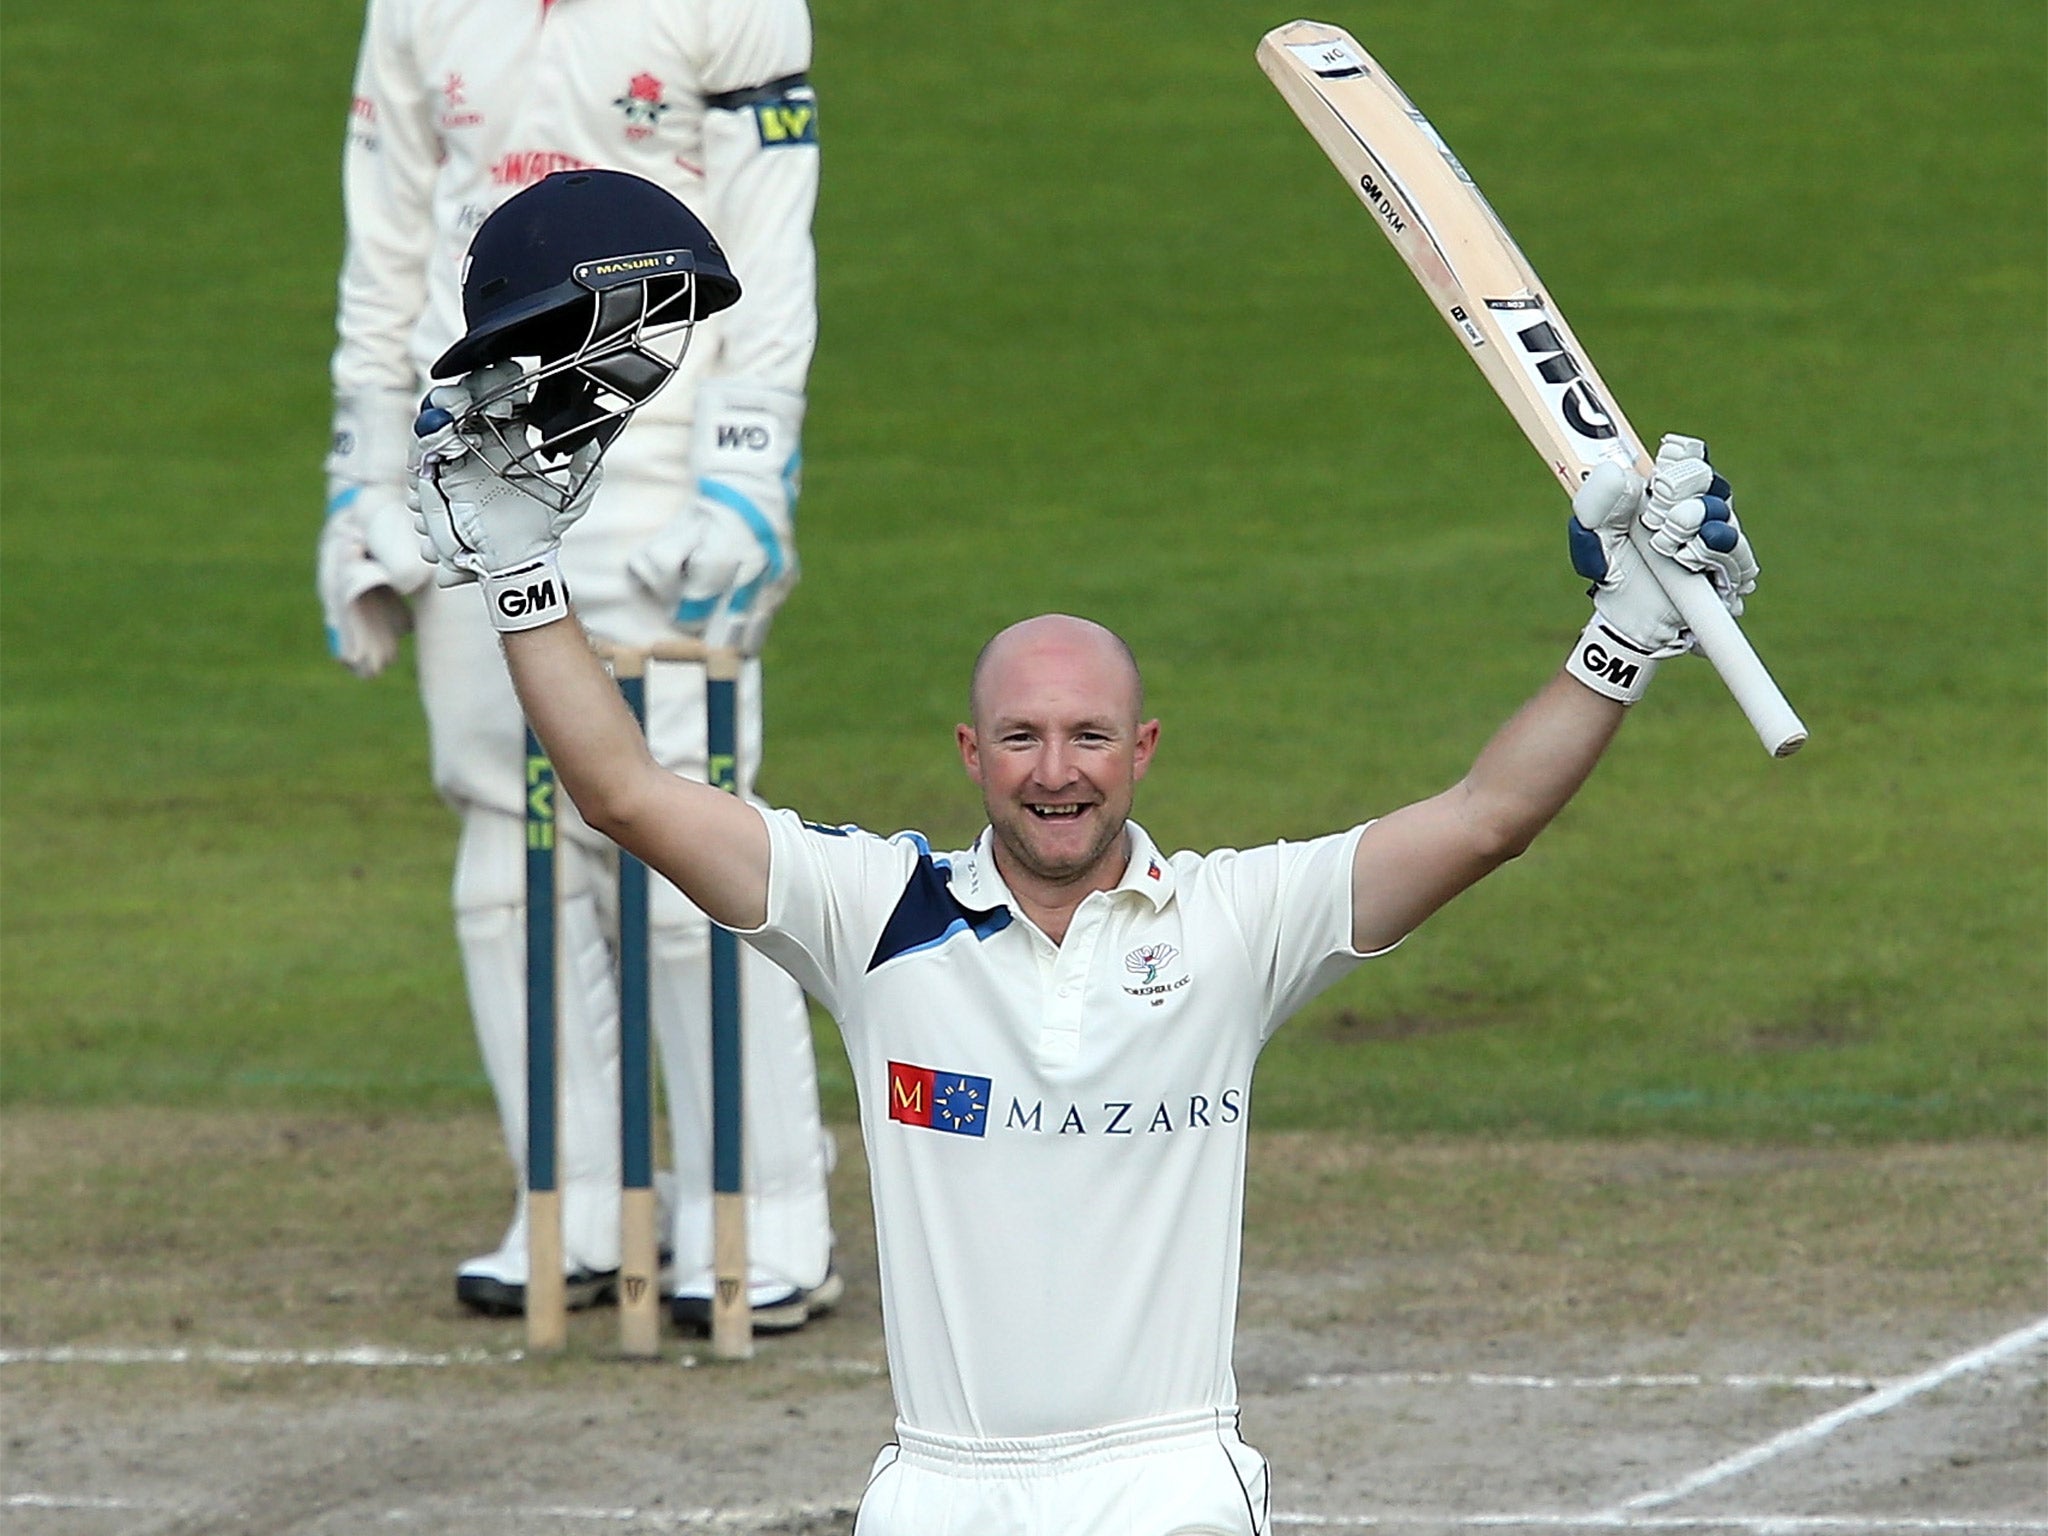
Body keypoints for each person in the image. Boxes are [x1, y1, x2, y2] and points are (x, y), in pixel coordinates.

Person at [409, 171, 1759, 1535]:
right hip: (942, 1488)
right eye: (1023, 738)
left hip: (1167, 1484)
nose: (1057, 771)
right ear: (971, 753)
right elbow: (627, 794)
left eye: (1089, 737)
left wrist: (1624, 641)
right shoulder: (876, 915)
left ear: (1144, 749)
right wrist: (522, 578)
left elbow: (1487, 818)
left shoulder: (1239, 927)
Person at [313, 0, 839, 1331]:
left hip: (659, 464)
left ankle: (771, 1214)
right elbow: (389, 237)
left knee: (690, 856)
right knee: (503, 838)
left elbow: (768, 238)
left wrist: (750, 475)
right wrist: (359, 480)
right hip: (475, 450)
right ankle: (579, 1203)